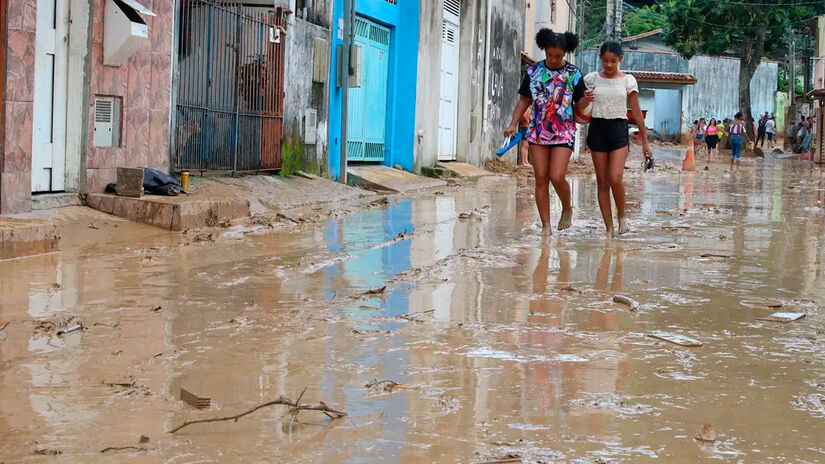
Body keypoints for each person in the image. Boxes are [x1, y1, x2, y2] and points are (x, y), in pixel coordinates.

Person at [505, 29, 590, 236]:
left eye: (558, 56)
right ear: (544, 50)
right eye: (549, 55)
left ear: (565, 54)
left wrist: (587, 99)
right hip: (537, 131)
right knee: (541, 177)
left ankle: (567, 208)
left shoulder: (573, 73)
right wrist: (513, 123)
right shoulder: (533, 71)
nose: (553, 59)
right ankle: (546, 226)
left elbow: (580, 104)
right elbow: (524, 100)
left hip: (564, 132)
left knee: (557, 175)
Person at [584, 41, 652, 238]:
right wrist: (585, 99)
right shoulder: (591, 79)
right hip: (597, 128)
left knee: (615, 177)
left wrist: (645, 141)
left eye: (613, 61)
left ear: (620, 59)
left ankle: (622, 216)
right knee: (602, 182)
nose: (609, 65)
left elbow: (637, 112)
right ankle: (608, 227)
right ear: (600, 59)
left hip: (618, 129)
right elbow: (579, 104)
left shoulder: (628, 81)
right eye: (605, 61)